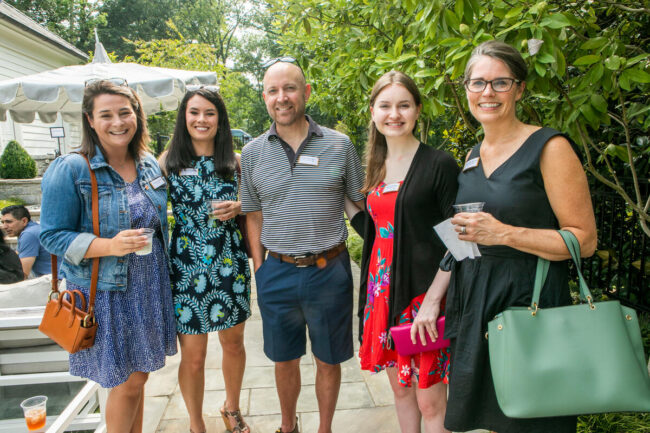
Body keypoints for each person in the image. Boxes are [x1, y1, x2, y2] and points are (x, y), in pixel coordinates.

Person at [411, 40, 597, 433]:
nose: (487, 93)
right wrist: (432, 299)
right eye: (477, 83)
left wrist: (505, 234)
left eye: (500, 82)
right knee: (491, 421)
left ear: (520, 88)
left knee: (533, 419)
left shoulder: (550, 147)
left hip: (528, 306)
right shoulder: (473, 154)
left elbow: (584, 240)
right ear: (465, 89)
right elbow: (463, 237)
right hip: (476, 304)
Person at [39, 79, 177, 433]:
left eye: (124, 112)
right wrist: (109, 245)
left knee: (138, 379)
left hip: (149, 287)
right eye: (106, 115)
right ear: (89, 119)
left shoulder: (147, 164)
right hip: (107, 294)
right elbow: (52, 236)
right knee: (126, 383)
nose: (118, 122)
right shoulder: (72, 168)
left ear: (137, 115)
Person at [240, 57, 365, 433]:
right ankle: (287, 426)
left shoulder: (340, 146)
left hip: (329, 270)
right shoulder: (253, 153)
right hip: (276, 271)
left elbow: (359, 203)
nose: (283, 98)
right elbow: (253, 214)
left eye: (290, 88)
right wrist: (260, 270)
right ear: (265, 98)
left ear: (306, 92)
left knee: (328, 360)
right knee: (284, 359)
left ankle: (324, 428)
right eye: (274, 91)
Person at [350, 71, 458, 433]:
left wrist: (433, 299)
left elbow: (459, 240)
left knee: (429, 399)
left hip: (422, 296)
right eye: (385, 106)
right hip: (382, 294)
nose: (393, 114)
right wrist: (339, 200)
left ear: (417, 111)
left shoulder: (438, 164)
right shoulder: (377, 167)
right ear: (372, 111)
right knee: (400, 389)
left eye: (403, 105)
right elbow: (377, 230)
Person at [158, 87, 251, 433]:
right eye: (194, 112)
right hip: (186, 266)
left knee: (234, 344)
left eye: (209, 113)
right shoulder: (167, 162)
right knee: (194, 356)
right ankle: (196, 423)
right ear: (184, 117)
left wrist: (240, 206)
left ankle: (232, 407)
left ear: (220, 119)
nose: (201, 119)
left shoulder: (236, 163)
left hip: (230, 263)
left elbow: (258, 206)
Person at [1, 205, 51, 278]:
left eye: (9, 222)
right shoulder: (33, 229)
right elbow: (18, 254)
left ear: (24, 221)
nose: (4, 226)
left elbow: (21, 275)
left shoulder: (28, 234)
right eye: (2, 222)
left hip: (55, 283)